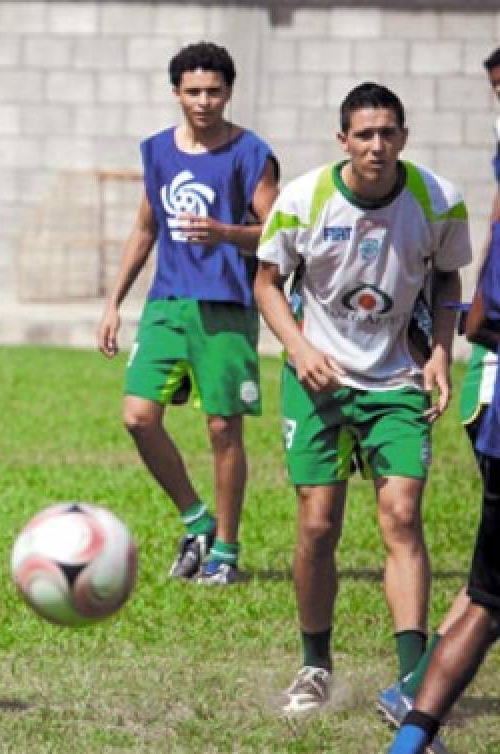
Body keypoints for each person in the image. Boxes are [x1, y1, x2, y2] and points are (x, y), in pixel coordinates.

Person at [255, 82, 471, 714]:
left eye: (389, 132)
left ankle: (412, 684)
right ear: (342, 139)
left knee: (402, 516)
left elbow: (448, 275)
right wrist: (298, 349)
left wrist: (439, 351)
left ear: (404, 136)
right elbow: (267, 282)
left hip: (398, 379)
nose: (378, 145)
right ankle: (315, 666)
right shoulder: (303, 199)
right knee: (318, 525)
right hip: (318, 379)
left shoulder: (437, 200)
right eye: (365, 134)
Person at [97, 41, 279, 585]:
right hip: (167, 303)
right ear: (176, 93)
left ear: (229, 93)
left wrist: (226, 232)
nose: (204, 101)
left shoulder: (251, 153)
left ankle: (225, 550)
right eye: (194, 91)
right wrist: (114, 302)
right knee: (137, 416)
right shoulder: (157, 150)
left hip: (225, 305)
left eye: (214, 91)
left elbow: (278, 233)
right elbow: (146, 228)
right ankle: (196, 518)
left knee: (223, 429)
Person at [379, 46, 500, 749]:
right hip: (493, 394)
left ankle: (413, 700)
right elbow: (482, 310)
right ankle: (414, 703)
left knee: (489, 584)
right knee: (489, 583)